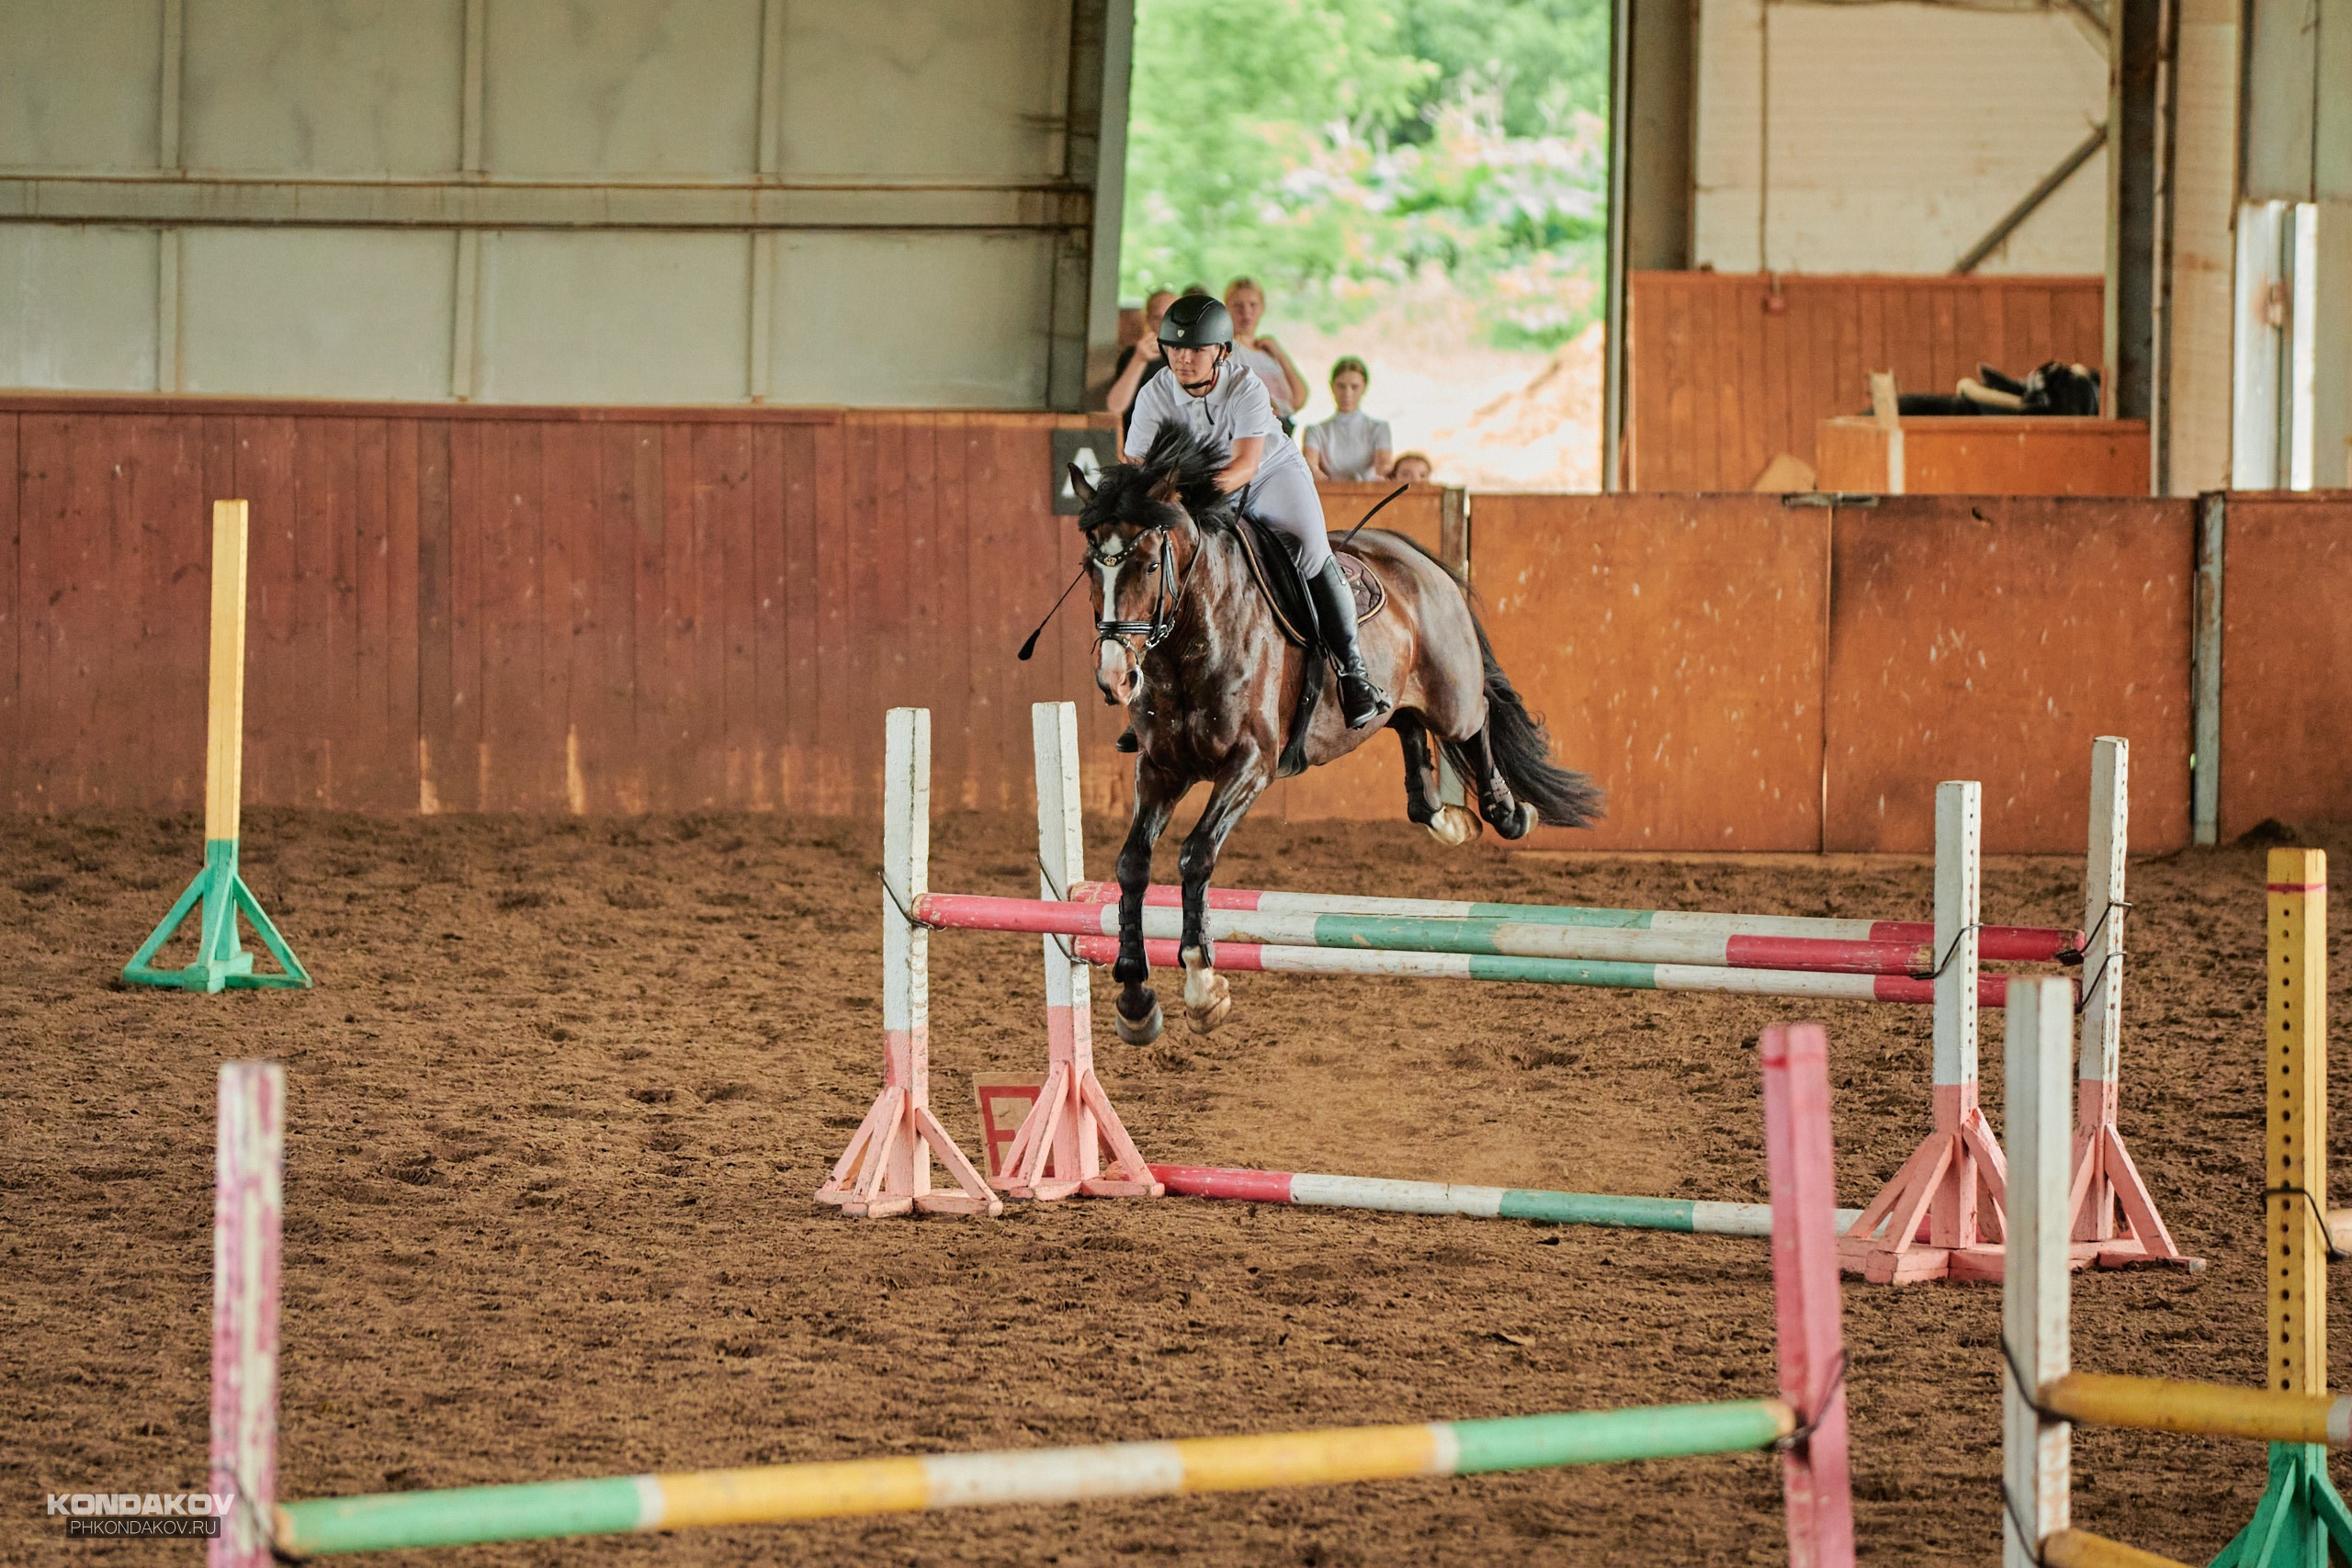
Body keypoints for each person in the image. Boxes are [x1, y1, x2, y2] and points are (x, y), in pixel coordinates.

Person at [1120, 293, 1388, 734]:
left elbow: (1244, 466)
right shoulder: (1154, 393)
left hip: (1268, 474)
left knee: (1309, 549)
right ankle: (1150, 692)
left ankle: (1352, 671)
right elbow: (1135, 464)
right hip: (1190, 489)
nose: (1183, 359)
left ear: (1222, 351)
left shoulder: (1246, 387)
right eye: (1174, 348)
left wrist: (1185, 498)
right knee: (1160, 562)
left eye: (1196, 349)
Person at [1222, 277, 1309, 430]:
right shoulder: (1226, 350)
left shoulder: (1269, 350)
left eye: (1253, 305)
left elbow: (1298, 399)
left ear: (1262, 308)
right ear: (1226, 309)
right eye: (1238, 306)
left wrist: (1281, 356)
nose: (1246, 312)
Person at [1300, 357, 1394, 482]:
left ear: (1364, 387)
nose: (1347, 393)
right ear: (1332, 386)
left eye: (1354, 387)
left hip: (1369, 492)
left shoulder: (1379, 428)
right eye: (1341, 386)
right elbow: (1310, 466)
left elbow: (1384, 464)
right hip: (1329, 493)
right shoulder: (1315, 431)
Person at [1103, 288, 1176, 436]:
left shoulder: (1193, 356)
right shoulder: (1134, 355)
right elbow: (1115, 407)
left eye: (1172, 317)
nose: (1166, 324)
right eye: (1158, 318)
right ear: (1149, 320)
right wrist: (1139, 359)